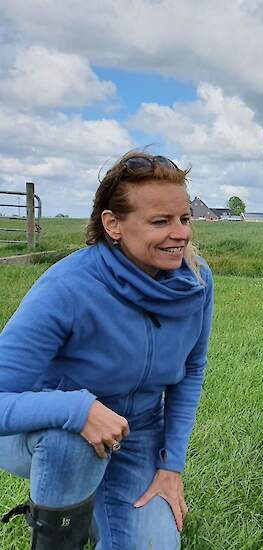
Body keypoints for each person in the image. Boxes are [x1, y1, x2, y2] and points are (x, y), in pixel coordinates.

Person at [0, 152, 214, 549]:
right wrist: (74, 409)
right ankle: (59, 529)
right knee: (71, 444)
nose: (181, 234)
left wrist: (171, 466)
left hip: (138, 432)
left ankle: (95, 506)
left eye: (184, 218)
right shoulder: (66, 288)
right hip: (48, 431)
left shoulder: (197, 281)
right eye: (160, 221)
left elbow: (192, 371)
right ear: (113, 224)